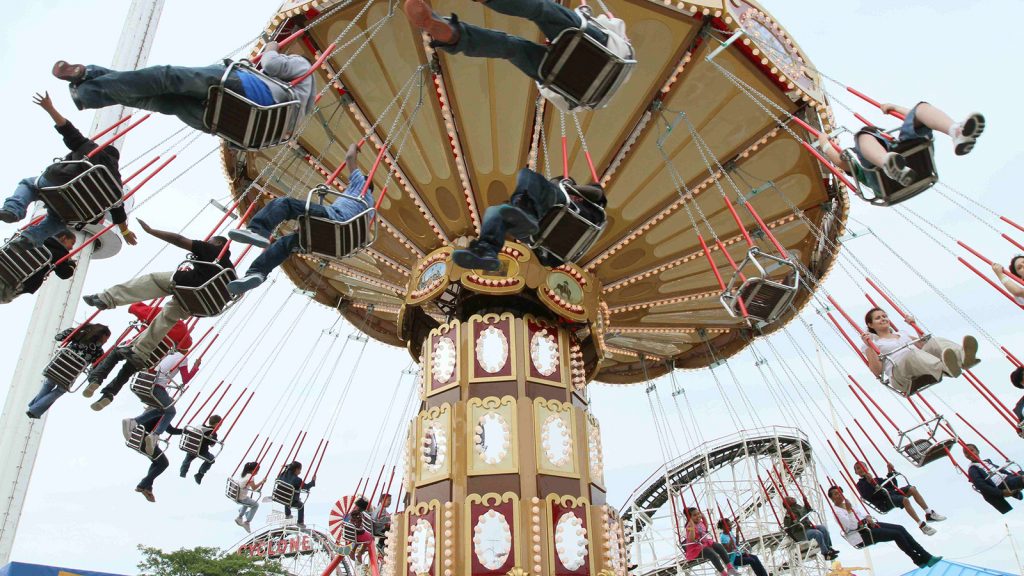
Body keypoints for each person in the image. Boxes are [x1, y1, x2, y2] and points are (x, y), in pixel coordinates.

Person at [403, 0, 631, 111]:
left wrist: (582, 14)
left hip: (604, 59)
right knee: (517, 41)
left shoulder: (615, 37)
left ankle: (453, 34)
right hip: (579, 87)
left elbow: (610, 25)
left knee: (535, 16)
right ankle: (453, 35)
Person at [51, 41, 316, 134]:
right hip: (223, 122)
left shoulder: (302, 66)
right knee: (160, 99)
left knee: (166, 78)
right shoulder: (299, 112)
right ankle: (89, 81)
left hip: (242, 90)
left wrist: (272, 47)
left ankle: (88, 86)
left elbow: (270, 63)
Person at [82, 219, 231, 369]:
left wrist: (151, 231)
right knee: (169, 314)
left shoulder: (214, 250)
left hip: (193, 287)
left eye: (209, 241)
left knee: (153, 280)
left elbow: (179, 240)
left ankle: (107, 298)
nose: (206, 242)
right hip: (204, 305)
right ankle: (140, 351)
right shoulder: (229, 270)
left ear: (218, 243)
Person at [227, 142, 370, 294]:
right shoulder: (368, 209)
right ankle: (256, 273)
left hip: (334, 220)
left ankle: (258, 230)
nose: (349, 184)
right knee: (285, 243)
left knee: (285, 204)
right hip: (337, 243)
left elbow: (349, 158)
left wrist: (353, 146)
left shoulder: (360, 184)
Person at [1, 92, 136, 247]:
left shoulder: (92, 150)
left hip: (61, 183)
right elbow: (119, 214)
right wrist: (125, 232)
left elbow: (68, 130)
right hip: (79, 210)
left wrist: (50, 108)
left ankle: (13, 210)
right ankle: (30, 238)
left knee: (29, 184)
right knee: (58, 220)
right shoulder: (116, 186)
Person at [451, 168, 606, 270]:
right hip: (545, 237)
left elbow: (597, 193)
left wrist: (565, 186)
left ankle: (523, 212)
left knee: (527, 175)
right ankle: (486, 250)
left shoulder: (584, 199)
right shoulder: (548, 200)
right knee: (493, 212)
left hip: (576, 217)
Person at [820, 103, 984, 194]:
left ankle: (957, 131)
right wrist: (825, 144)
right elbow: (843, 163)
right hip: (906, 169)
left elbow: (842, 163)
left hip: (896, 167)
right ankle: (888, 164)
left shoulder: (866, 163)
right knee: (864, 135)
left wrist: (825, 145)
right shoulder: (864, 168)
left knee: (921, 108)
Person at [85, 301, 196, 408]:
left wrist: (145, 314)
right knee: (126, 371)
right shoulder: (183, 330)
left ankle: (96, 379)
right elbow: (186, 345)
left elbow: (133, 307)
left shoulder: (161, 313)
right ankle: (109, 394)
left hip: (134, 349)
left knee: (115, 353)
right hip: (147, 360)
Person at [861, 308, 978, 395]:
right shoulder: (872, 343)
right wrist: (869, 347)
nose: (883, 319)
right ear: (870, 325)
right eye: (878, 318)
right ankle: (946, 368)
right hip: (900, 375)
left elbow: (923, 344)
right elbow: (877, 372)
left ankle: (964, 358)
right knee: (911, 353)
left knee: (934, 341)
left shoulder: (902, 334)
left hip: (917, 362)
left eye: (884, 316)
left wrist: (914, 325)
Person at [827, 485, 941, 568]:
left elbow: (861, 514)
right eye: (836, 494)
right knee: (896, 534)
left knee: (900, 528)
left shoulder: (847, 504)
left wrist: (868, 517)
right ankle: (918, 559)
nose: (839, 495)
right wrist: (849, 511)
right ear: (832, 498)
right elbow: (852, 526)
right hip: (861, 535)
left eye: (840, 493)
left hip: (867, 526)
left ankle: (926, 556)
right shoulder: (837, 512)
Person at [25, 323, 111, 418]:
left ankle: (34, 409)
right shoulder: (98, 351)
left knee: (48, 384)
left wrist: (74, 330)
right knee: (59, 391)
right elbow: (95, 367)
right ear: (102, 335)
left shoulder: (79, 334)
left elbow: (58, 337)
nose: (106, 341)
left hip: (57, 365)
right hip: (71, 374)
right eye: (107, 338)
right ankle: (34, 410)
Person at [853, 461, 944, 535]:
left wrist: (889, 471)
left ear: (867, 468)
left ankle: (929, 513)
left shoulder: (877, 479)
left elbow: (893, 486)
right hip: (883, 501)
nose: (860, 469)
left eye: (862, 466)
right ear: (856, 472)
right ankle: (921, 524)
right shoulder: (860, 485)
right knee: (904, 500)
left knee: (912, 489)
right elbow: (870, 496)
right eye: (858, 468)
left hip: (891, 494)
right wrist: (871, 483)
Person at [1, 230, 77, 305]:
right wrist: (71, 263)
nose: (72, 248)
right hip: (12, 284)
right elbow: (65, 274)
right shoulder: (60, 254)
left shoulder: (34, 237)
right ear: (63, 238)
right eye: (72, 243)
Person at [127, 413, 183, 503]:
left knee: (157, 463)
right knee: (164, 463)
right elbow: (171, 430)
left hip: (138, 441)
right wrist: (185, 431)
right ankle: (142, 485)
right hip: (147, 443)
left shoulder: (149, 414)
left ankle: (147, 487)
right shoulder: (162, 415)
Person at [963, 443, 1024, 514]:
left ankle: (1016, 490)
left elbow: (1001, 470)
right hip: (1002, 483)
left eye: (971, 450)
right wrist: (1001, 493)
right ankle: (1016, 488)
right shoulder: (973, 469)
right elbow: (981, 486)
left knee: (1021, 473)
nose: (969, 453)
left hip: (1007, 478)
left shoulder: (986, 462)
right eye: (966, 453)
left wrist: (1015, 476)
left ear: (977, 451)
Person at [681, 508, 737, 576]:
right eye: (694, 515)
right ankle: (724, 574)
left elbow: (705, 528)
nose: (698, 516)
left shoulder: (700, 522)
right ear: (690, 517)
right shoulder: (689, 526)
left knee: (719, 546)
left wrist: (704, 517)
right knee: (712, 554)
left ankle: (730, 568)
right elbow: (691, 539)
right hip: (695, 547)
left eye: (698, 514)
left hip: (705, 543)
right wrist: (692, 526)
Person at [781, 496, 838, 560]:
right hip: (800, 532)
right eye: (790, 499)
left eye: (792, 497)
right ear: (787, 503)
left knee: (822, 528)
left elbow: (805, 511)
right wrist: (790, 518)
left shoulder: (798, 507)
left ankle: (829, 547)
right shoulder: (789, 513)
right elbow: (787, 525)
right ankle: (825, 553)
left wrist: (806, 503)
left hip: (808, 527)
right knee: (817, 533)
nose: (793, 498)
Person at [179, 415, 222, 485]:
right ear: (217, 424)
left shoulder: (200, 427)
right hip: (201, 451)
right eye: (220, 425)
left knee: (188, 459)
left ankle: (182, 473)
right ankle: (200, 474)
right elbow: (212, 444)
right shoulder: (212, 432)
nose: (219, 427)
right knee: (211, 459)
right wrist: (214, 439)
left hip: (191, 447)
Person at [277, 461, 315, 526]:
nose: (300, 472)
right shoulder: (297, 479)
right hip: (289, 500)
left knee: (287, 495)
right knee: (300, 505)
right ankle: (300, 522)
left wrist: (286, 466)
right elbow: (306, 487)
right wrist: (313, 481)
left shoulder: (282, 474)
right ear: (296, 469)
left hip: (279, 497)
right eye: (300, 470)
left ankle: (288, 514)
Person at [233, 461, 265, 532]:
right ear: (253, 470)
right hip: (242, 498)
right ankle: (247, 522)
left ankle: (240, 515)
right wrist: (262, 482)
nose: (257, 472)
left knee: (248, 501)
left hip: (237, 495)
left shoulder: (244, 473)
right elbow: (254, 488)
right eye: (257, 470)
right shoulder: (251, 477)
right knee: (256, 505)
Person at [347, 497, 376, 562]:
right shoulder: (359, 515)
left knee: (364, 537)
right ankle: (360, 553)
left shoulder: (354, 513)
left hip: (353, 535)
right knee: (370, 538)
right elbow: (358, 527)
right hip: (357, 535)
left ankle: (354, 551)